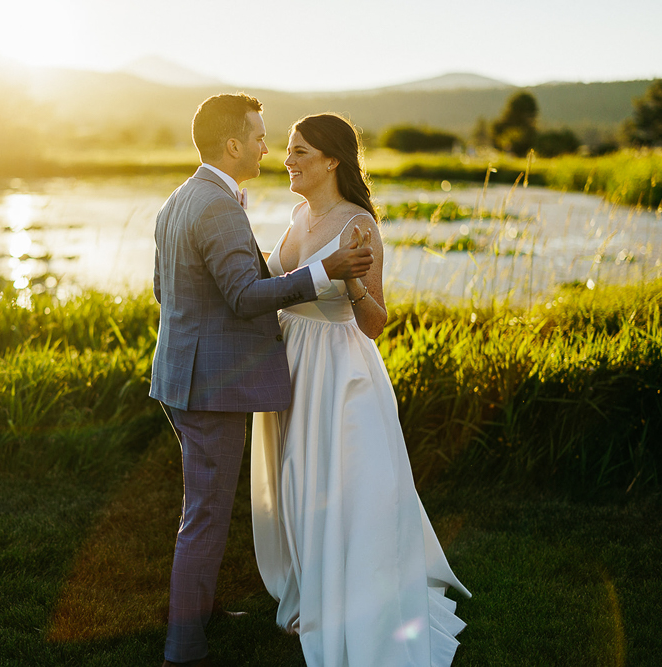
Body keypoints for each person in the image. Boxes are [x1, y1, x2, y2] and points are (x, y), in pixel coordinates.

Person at [150, 94, 375, 667]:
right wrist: (323, 271)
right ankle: (185, 646)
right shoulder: (219, 206)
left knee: (206, 506)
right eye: (258, 136)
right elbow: (246, 296)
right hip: (210, 385)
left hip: (182, 376)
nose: (265, 148)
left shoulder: (181, 198)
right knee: (204, 513)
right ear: (233, 145)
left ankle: (202, 610)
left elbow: (165, 289)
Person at [250, 113, 472, 667]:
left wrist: (349, 283)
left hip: (339, 370)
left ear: (331, 160)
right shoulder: (299, 213)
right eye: (287, 149)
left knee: (346, 486)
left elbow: (375, 322)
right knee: (300, 481)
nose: (288, 159)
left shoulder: (359, 226)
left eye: (300, 151)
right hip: (292, 363)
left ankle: (357, 602)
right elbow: (272, 281)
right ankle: (311, 587)